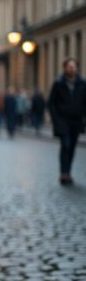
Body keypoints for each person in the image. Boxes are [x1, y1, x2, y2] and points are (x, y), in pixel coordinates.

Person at [47, 57, 86, 185]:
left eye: (74, 66)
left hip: (76, 121)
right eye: (69, 66)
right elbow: (51, 103)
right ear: (65, 68)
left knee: (72, 147)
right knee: (66, 145)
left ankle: (68, 172)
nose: (72, 68)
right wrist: (55, 119)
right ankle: (63, 173)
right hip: (62, 120)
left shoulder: (82, 83)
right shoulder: (58, 83)